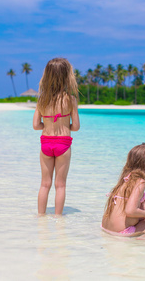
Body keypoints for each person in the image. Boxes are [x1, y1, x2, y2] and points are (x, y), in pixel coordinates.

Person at [33, 58, 80, 215]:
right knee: (60, 185)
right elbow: (76, 127)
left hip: (46, 143)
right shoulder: (70, 100)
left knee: (45, 184)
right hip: (63, 144)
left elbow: (35, 125)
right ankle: (59, 218)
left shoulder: (42, 100)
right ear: (67, 76)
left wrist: (46, 126)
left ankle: (41, 216)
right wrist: (65, 126)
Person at [101, 143, 145, 237]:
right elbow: (130, 211)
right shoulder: (140, 182)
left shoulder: (126, 178)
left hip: (106, 228)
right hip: (122, 232)